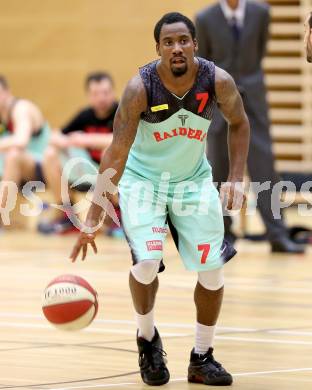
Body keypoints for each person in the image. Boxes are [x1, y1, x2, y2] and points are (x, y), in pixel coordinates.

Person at [70, 12, 249, 387]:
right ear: (158, 49)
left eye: (183, 40)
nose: (177, 48)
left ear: (195, 44)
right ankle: (147, 338)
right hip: (143, 183)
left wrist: (235, 177)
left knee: (213, 270)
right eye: (168, 42)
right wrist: (92, 217)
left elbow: (240, 123)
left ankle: (202, 357)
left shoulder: (217, 81)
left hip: (193, 182)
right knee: (148, 264)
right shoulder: (140, 88)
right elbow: (116, 153)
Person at [195, 0, 305, 253]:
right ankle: (222, 233)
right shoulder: (204, 18)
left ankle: (277, 233)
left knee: (265, 167)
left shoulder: (262, 13)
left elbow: (259, 52)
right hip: (219, 101)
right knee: (218, 169)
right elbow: (203, 63)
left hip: (254, 100)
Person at [37, 71, 122, 236]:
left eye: (105, 93)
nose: (101, 98)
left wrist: (85, 139)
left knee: (108, 152)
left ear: (113, 92)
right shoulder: (85, 115)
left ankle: (121, 216)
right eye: (96, 94)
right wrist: (64, 140)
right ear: (89, 96)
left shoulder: (122, 113)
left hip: (118, 175)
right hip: (90, 172)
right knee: (50, 154)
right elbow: (55, 135)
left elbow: (122, 140)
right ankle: (67, 215)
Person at [0, 75, 50, 227]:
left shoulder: (21, 108)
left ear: (7, 92)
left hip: (40, 169)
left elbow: (21, 141)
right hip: (12, 173)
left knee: (14, 154)